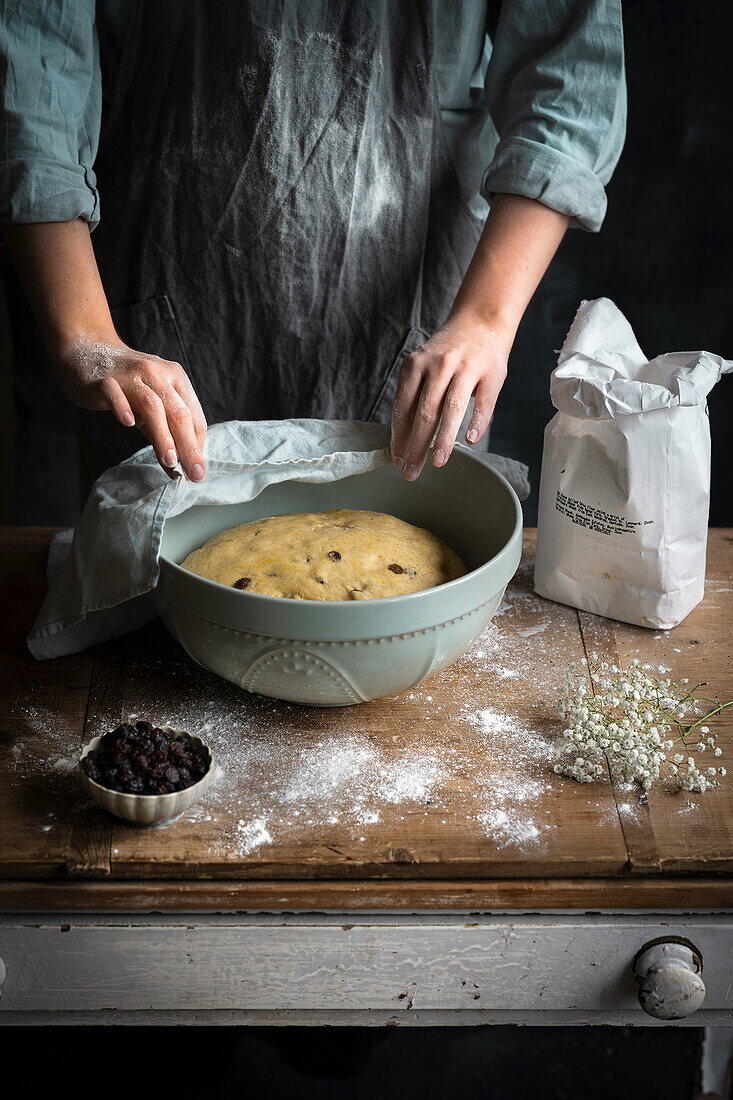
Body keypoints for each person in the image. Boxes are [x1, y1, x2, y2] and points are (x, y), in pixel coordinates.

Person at [0, 1, 625, 499]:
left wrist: (486, 320)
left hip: (419, 306)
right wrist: (85, 334)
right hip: (163, 299)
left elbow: (572, 79)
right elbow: (33, 73)